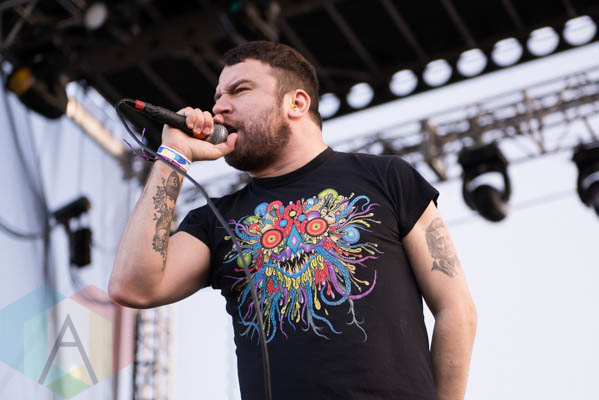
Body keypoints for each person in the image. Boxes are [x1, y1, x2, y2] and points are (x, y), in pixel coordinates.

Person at [109, 41, 477, 400]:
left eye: (239, 90)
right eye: (217, 97)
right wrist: (173, 156)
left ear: (296, 103)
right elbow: (133, 286)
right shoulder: (214, 220)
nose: (218, 107)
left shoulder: (386, 177)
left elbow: (456, 309)